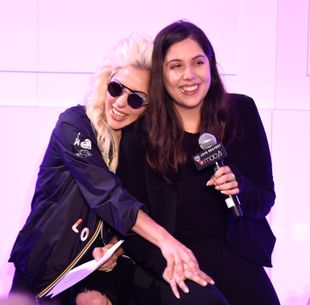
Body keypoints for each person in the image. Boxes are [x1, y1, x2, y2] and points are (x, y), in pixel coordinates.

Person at [8, 33, 212, 305]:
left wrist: (114, 246)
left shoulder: (138, 145)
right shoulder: (74, 125)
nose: (120, 103)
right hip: (46, 262)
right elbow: (105, 193)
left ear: (148, 107)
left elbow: (134, 207)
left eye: (136, 99)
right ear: (106, 82)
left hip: (92, 270)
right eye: (116, 89)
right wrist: (166, 241)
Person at [117, 20, 281, 305]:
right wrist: (166, 261)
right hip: (173, 259)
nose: (189, 76)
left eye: (198, 63)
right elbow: (130, 220)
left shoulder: (241, 111)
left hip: (236, 251)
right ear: (161, 74)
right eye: (176, 66)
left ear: (211, 65)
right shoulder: (140, 132)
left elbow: (264, 199)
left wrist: (238, 185)